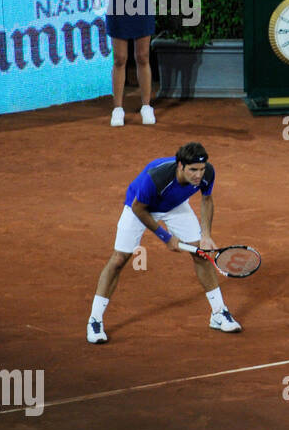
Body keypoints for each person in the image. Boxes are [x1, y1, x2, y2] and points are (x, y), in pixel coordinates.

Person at [87, 141, 243, 344]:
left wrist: (205, 234)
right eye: (193, 170)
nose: (198, 175)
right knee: (119, 259)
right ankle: (95, 319)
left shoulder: (207, 173)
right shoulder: (157, 177)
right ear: (180, 166)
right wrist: (166, 237)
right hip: (139, 207)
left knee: (201, 253)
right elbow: (139, 209)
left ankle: (218, 313)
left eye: (201, 169)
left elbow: (206, 199)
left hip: (175, 206)